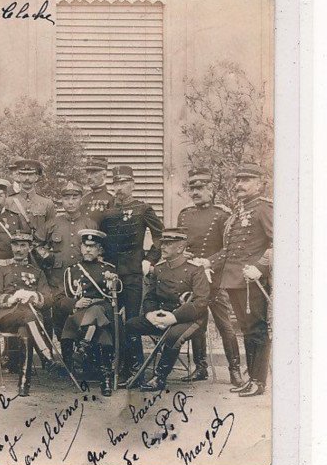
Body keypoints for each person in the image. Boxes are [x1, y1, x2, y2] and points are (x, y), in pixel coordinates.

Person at [196, 162, 272, 397]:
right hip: (234, 280)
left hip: (252, 280)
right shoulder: (238, 212)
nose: (240, 184)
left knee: (256, 329)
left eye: (246, 180)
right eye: (238, 180)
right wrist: (207, 262)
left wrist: (260, 267)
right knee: (247, 329)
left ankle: (258, 382)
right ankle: (252, 380)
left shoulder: (264, 209)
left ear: (259, 184)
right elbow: (228, 250)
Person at [177, 167, 242, 386]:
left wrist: (209, 262)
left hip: (215, 278)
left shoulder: (223, 215)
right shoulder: (185, 215)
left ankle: (235, 371)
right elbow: (180, 242)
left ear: (211, 189)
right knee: (197, 322)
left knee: (225, 325)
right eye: (192, 188)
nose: (195, 192)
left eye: (200, 188)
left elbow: (229, 248)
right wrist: (181, 253)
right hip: (194, 278)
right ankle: (200, 367)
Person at [124, 228, 210, 392]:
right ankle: (136, 371)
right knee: (130, 325)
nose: (162, 247)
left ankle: (159, 377)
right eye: (162, 243)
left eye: (168, 244)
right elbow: (150, 297)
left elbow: (201, 303)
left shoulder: (195, 269)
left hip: (190, 319)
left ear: (180, 248)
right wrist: (151, 314)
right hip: (162, 316)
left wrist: (174, 317)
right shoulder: (160, 268)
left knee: (173, 336)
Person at [99, 164, 164, 377]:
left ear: (132, 184)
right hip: (111, 273)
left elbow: (160, 236)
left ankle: (135, 367)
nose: (119, 188)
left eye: (124, 183)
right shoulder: (107, 212)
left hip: (134, 273)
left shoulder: (143, 208)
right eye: (116, 183)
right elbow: (101, 241)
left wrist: (150, 259)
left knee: (133, 320)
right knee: (111, 319)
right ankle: (114, 364)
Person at [33, 179, 97, 358]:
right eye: (66, 198)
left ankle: (83, 357)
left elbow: (98, 250)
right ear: (61, 201)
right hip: (57, 280)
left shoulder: (89, 224)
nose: (70, 201)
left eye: (74, 197)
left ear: (81, 199)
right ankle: (66, 358)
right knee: (60, 319)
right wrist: (46, 256)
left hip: (82, 280)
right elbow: (36, 244)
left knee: (83, 318)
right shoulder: (52, 224)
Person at [0, 230, 53, 396]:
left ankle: (24, 383)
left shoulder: (38, 273)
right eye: (15, 245)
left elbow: (48, 298)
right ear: (11, 247)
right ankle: (46, 356)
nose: (19, 249)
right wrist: (11, 298)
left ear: (30, 248)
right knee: (29, 317)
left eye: (23, 245)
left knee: (26, 331)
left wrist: (34, 296)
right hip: (6, 315)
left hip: (29, 318)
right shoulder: (1, 270)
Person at [61, 230, 120, 396]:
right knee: (102, 330)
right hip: (81, 314)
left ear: (99, 249)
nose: (88, 250)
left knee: (97, 310)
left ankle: (82, 348)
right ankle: (105, 378)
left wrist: (112, 283)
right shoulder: (71, 271)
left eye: (92, 247)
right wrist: (75, 302)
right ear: (80, 248)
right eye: (85, 246)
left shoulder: (109, 269)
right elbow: (63, 298)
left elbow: (115, 297)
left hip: (104, 311)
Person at [6, 159, 55, 237]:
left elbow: (51, 231)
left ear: (36, 177)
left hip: (39, 247)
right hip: (16, 247)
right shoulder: (8, 202)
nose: (27, 178)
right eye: (23, 175)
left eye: (31, 175)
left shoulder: (47, 203)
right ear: (18, 177)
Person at [80, 156, 114, 225]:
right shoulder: (84, 198)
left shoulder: (112, 198)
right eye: (88, 172)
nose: (89, 177)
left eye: (94, 173)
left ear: (104, 175)